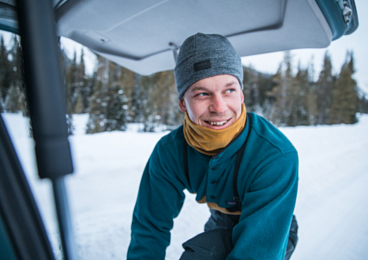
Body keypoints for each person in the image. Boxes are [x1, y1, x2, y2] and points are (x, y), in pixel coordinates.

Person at [127, 33, 298, 260]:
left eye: (229, 90)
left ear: (242, 94)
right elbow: (149, 227)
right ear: (182, 104)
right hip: (221, 217)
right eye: (202, 94)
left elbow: (257, 253)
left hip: (272, 223)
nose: (219, 107)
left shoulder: (274, 155)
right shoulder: (171, 152)